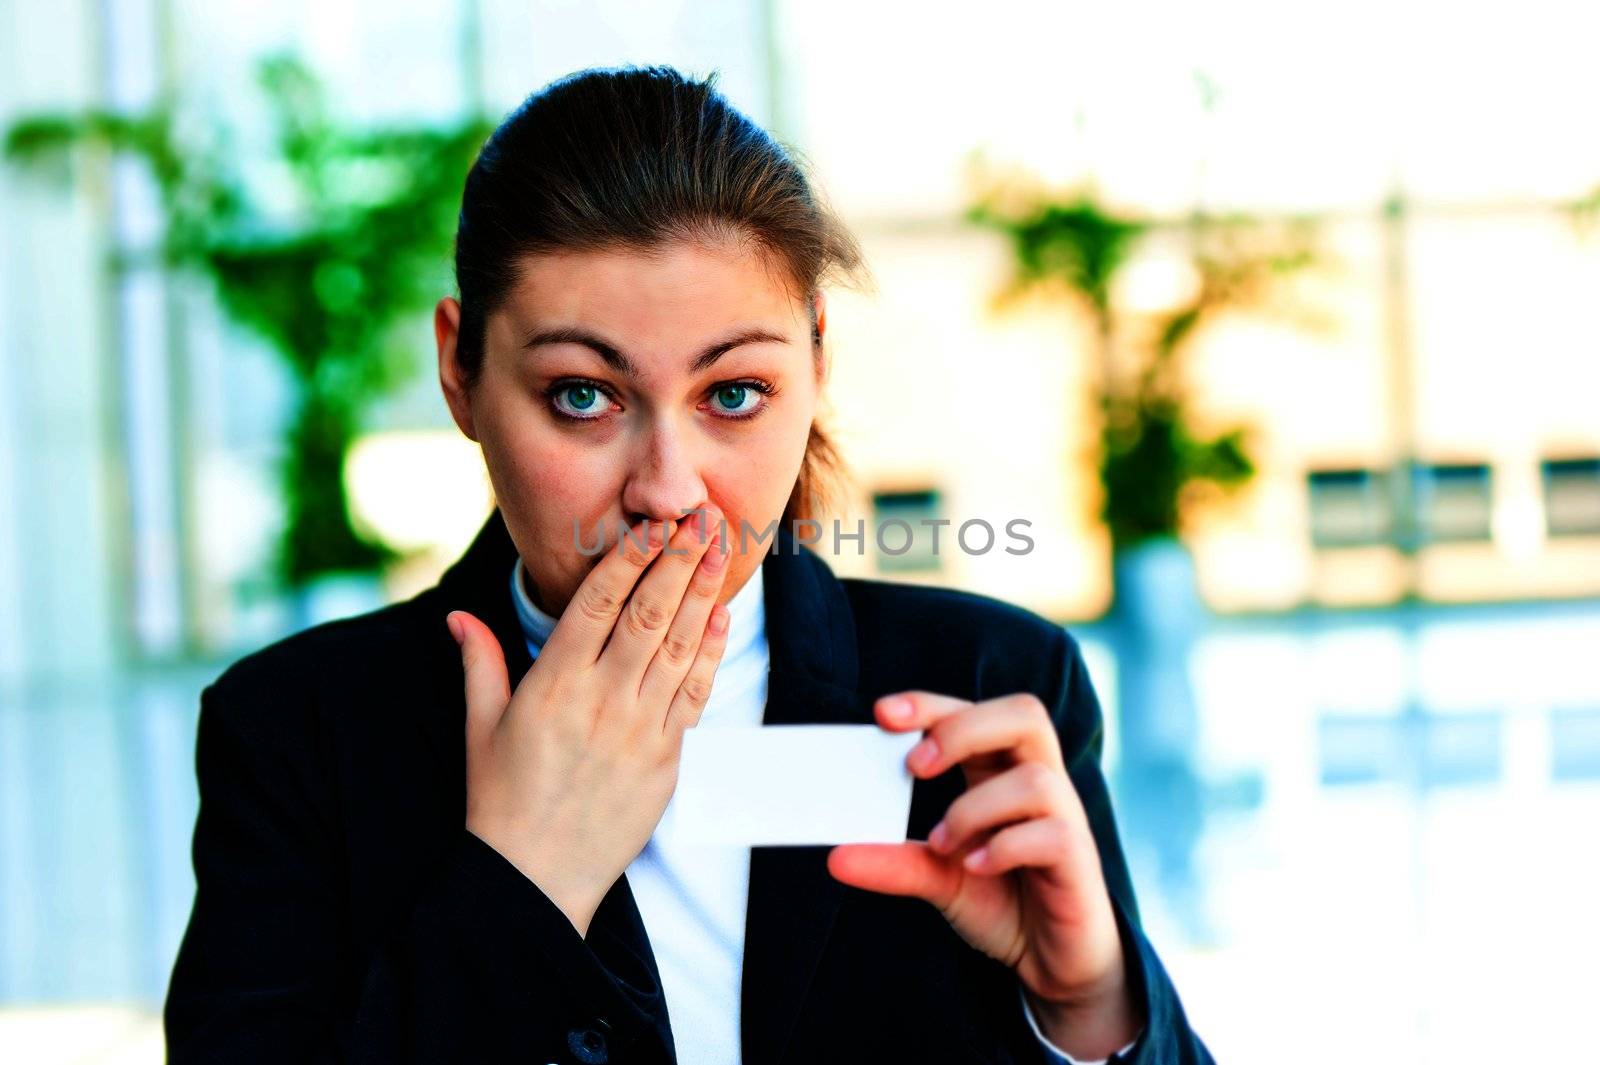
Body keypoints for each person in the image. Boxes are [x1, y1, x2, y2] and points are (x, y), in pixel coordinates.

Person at [164, 64, 1214, 1065]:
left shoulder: (987, 685)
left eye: (732, 395)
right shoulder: (300, 734)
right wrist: (525, 878)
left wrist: (1090, 1012)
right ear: (460, 370)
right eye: (582, 395)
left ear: (815, 364)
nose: (668, 489)